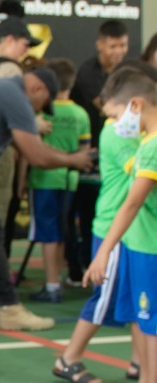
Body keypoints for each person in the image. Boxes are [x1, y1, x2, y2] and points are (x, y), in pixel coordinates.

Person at [53, 63, 156, 383]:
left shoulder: (142, 137)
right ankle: (69, 357)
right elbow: (134, 195)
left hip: (131, 232)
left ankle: (143, 373)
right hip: (117, 226)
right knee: (107, 298)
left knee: (139, 308)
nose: (113, 122)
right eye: (111, 115)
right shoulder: (123, 135)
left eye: (115, 113)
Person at [0, 67, 91, 330]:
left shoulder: (6, 89)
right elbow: (37, 156)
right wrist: (73, 159)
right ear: (38, 90)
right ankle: (10, 306)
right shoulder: (15, 96)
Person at [84, 68, 157, 383]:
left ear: (136, 104)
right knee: (143, 321)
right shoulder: (146, 142)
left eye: (115, 116)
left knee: (152, 322)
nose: (114, 124)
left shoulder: (154, 145)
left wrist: (103, 251)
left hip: (150, 248)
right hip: (140, 244)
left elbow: (131, 203)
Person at [25, 59, 90, 303]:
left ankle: (52, 284)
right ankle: (56, 280)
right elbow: (85, 150)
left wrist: (22, 179)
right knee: (61, 231)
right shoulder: (80, 114)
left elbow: (30, 149)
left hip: (43, 179)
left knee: (47, 233)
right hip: (69, 180)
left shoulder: (41, 111)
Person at [72, 21, 130, 275]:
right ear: (100, 44)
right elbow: (107, 107)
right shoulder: (87, 72)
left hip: (122, 157)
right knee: (89, 212)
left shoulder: (129, 71)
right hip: (91, 155)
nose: (118, 51)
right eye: (113, 46)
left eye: (123, 45)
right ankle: (86, 265)